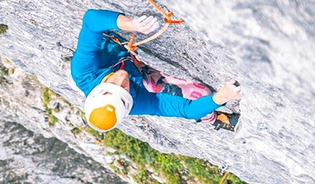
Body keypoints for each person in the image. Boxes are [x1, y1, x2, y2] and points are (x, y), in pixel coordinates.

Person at [70, 9, 242, 133]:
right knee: (201, 93)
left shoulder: (84, 72)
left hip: (120, 53)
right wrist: (222, 96)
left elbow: (91, 21)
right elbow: (187, 110)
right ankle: (213, 119)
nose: (122, 80)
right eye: (124, 88)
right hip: (137, 69)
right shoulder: (133, 102)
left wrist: (129, 24)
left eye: (112, 84)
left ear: (98, 89)